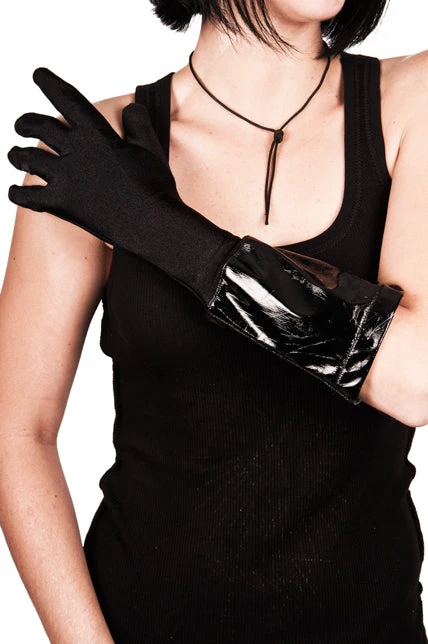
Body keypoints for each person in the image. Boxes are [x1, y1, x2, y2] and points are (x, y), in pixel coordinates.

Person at [1, 0, 428, 641]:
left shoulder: (412, 103)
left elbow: (415, 380)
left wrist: (160, 227)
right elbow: (16, 431)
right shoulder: (93, 150)